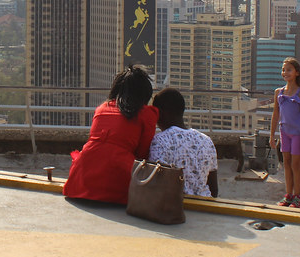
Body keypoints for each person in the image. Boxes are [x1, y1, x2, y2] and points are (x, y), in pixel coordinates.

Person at [63, 65, 158, 204]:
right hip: (120, 179)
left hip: (79, 181)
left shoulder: (102, 109)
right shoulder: (146, 114)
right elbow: (143, 154)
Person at [148, 88, 218, 197]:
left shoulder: (159, 141)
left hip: (173, 207)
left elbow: (154, 184)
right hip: (204, 206)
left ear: (160, 114)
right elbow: (214, 190)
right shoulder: (206, 141)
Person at [269, 57, 300, 208]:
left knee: (296, 164)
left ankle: (297, 196)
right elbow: (275, 115)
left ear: (297, 73)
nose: (285, 72)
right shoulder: (278, 93)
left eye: (289, 70)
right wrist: (272, 135)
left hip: (297, 134)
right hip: (284, 132)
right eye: (283, 70)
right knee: (285, 163)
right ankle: (288, 194)